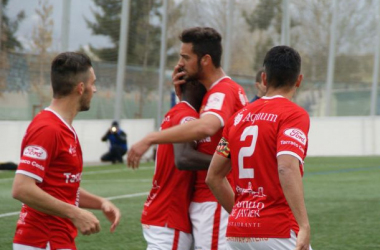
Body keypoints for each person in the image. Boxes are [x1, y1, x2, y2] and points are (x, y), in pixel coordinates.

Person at [128, 27, 248, 250]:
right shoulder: (218, 92)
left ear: (205, 60)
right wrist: (183, 98)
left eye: (185, 57)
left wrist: (152, 138)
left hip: (214, 203)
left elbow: (206, 127)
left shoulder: (221, 92)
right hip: (213, 202)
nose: (180, 63)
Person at [206, 45, 312, 250]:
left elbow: (213, 177)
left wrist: (241, 215)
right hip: (278, 230)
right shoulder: (293, 114)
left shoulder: (237, 118)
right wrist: (304, 225)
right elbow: (286, 167)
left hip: (238, 232)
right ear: (299, 80)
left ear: (264, 79)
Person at [12, 52, 121, 250]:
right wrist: (76, 213)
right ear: (81, 88)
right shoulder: (48, 128)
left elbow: (58, 187)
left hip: (56, 240)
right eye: (92, 83)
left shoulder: (63, 127)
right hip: (43, 240)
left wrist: (100, 202)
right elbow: (22, 188)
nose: (94, 90)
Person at [141, 80, 212, 250]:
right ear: (194, 85)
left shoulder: (176, 112)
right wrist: (227, 162)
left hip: (162, 213)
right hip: (169, 215)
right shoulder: (187, 115)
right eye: (206, 81)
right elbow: (184, 157)